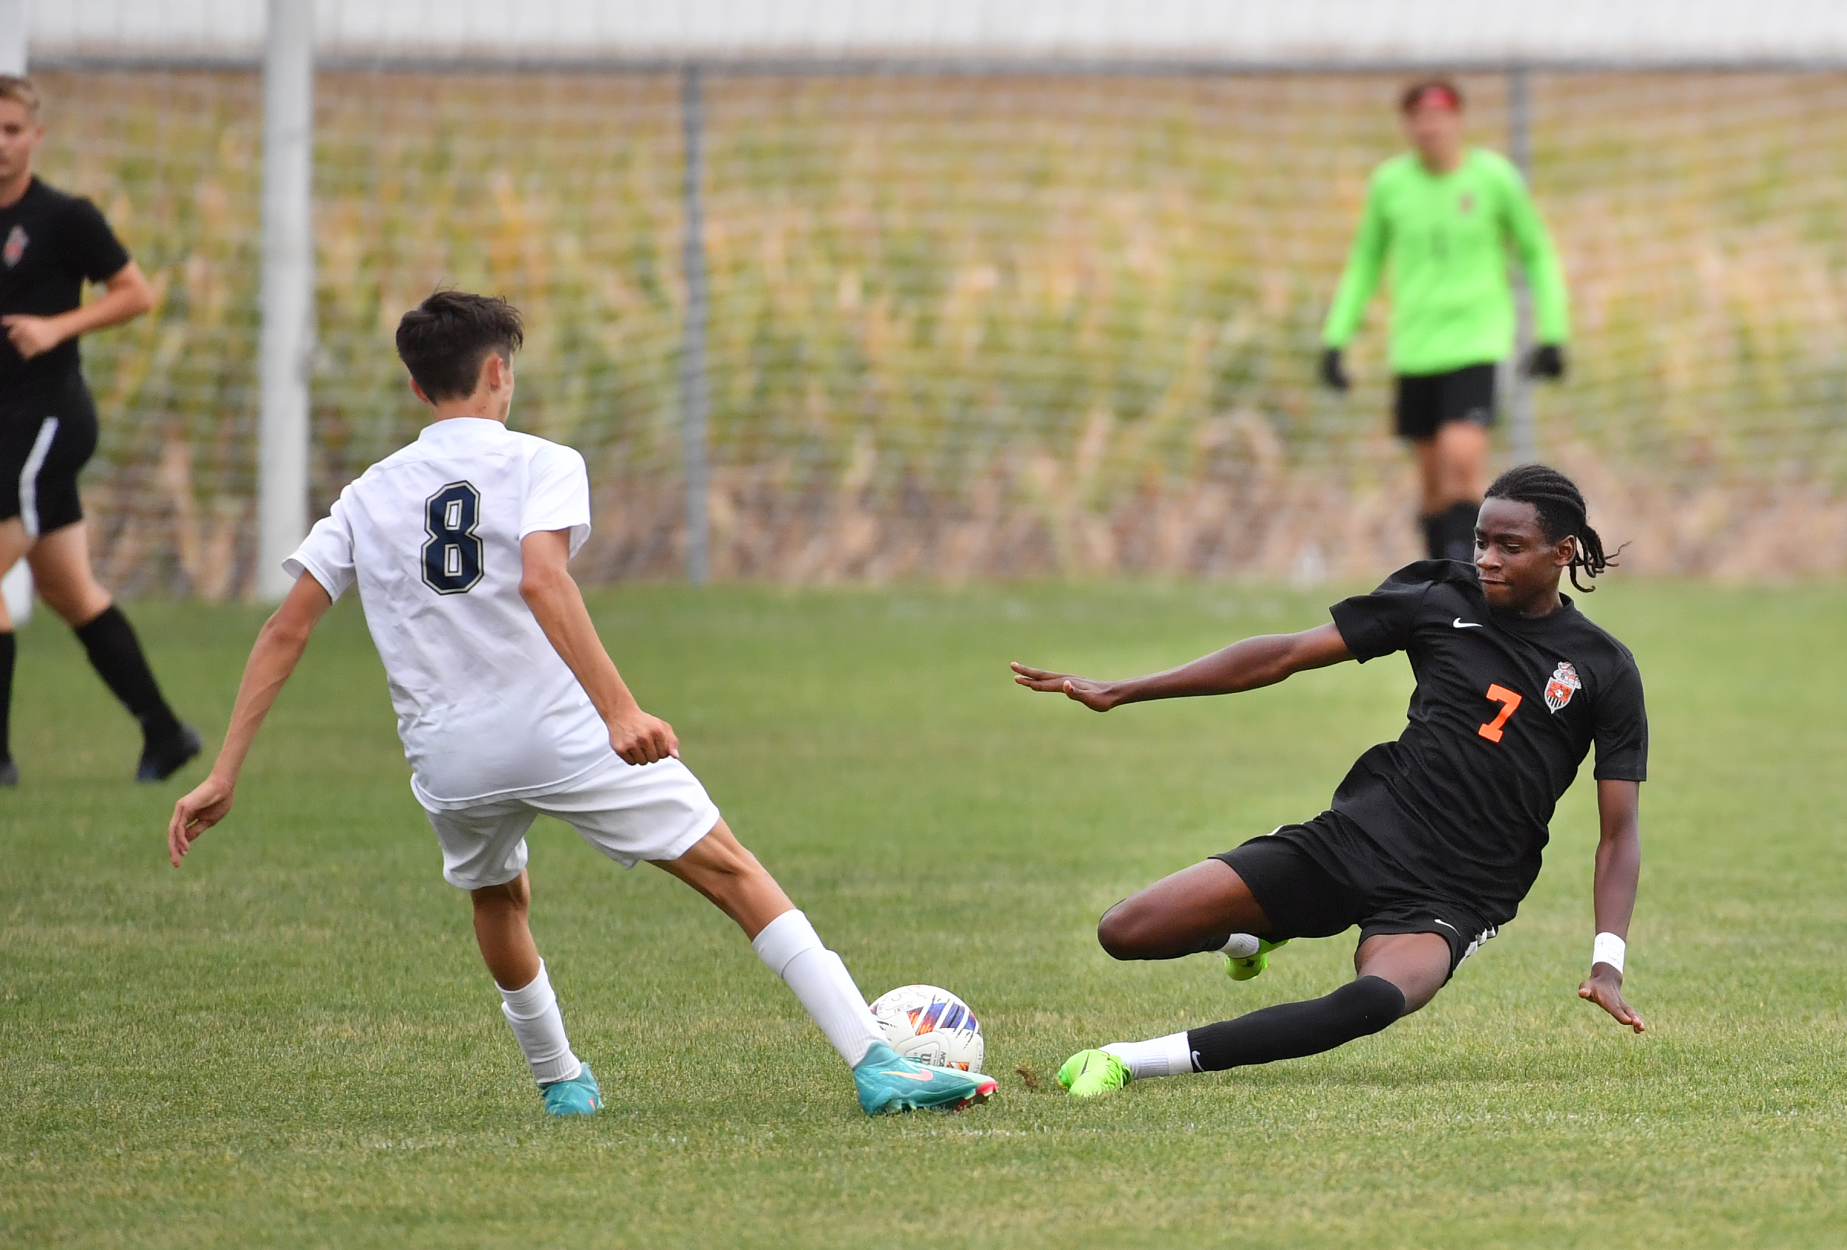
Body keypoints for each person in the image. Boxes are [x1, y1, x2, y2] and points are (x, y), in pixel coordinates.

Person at [166, 291, 997, 1118]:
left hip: (447, 757)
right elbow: (541, 576)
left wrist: (225, 772)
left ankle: (560, 1081)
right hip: (557, 733)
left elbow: (284, 630)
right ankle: (876, 1061)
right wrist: (620, 710)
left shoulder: (365, 494)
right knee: (733, 872)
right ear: (500, 372)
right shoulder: (540, 462)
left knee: (497, 899)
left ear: (418, 389)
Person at [1011, 463, 1645, 1098]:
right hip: (1360, 834)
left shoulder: (1603, 667)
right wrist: (1125, 689)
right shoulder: (1437, 597)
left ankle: (1128, 1060)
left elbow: (1618, 835)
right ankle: (1251, 933)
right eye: (1481, 541)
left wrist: (1606, 963)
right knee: (1125, 931)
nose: (1487, 559)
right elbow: (1283, 654)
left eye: (1511, 547)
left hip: (1460, 889)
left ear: (1562, 552)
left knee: (1369, 1003)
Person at [0, 75, 200, 786]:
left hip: (49, 416)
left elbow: (136, 293)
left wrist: (58, 327)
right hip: (5, 427)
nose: (1, 144)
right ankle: (166, 732)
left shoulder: (64, 217)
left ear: (36, 136)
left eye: (12, 130)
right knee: (69, 590)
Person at [1319, 79, 1571, 566]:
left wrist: (1553, 332)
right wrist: (1336, 339)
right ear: (1408, 124)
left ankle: (1469, 581)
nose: (1429, 126)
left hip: (1476, 341)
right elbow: (1364, 264)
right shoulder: (1390, 185)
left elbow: (1537, 252)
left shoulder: (1494, 179)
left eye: (1440, 115)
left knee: (1462, 461)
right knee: (1433, 484)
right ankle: (1442, 582)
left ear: (1459, 120)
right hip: (1415, 348)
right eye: (1419, 116)